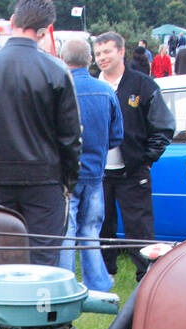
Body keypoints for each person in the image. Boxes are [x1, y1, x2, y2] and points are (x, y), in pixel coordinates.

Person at [0, 0, 80, 267]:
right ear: (44, 31)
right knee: (42, 260)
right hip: (43, 179)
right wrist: (69, 179)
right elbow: (69, 136)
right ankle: (40, 307)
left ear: (12, 21)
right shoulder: (55, 71)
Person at [92, 31, 173, 284]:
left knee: (139, 228)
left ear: (121, 51)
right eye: (98, 53)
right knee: (102, 227)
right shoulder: (92, 87)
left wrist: (146, 158)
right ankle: (105, 274)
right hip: (99, 173)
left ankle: (146, 278)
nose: (102, 58)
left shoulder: (143, 85)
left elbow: (163, 126)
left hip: (133, 172)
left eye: (107, 52)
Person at [59, 39, 121, 293]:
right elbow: (116, 136)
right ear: (89, 60)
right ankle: (99, 283)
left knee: (66, 233)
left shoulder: (61, 90)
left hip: (67, 176)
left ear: (63, 59)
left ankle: (64, 284)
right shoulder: (105, 91)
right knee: (91, 229)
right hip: (96, 173)